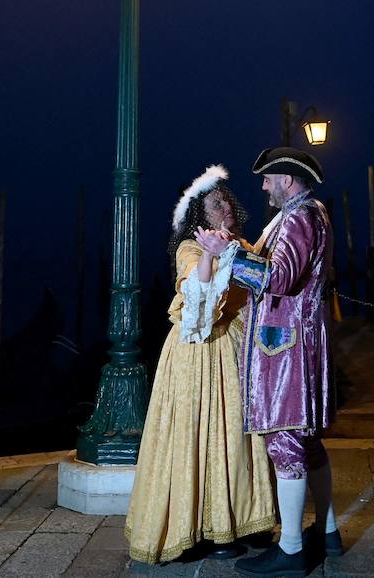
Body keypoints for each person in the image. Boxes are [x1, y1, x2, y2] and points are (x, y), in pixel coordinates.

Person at [196, 147, 342, 578]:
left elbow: (279, 278)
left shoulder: (299, 217)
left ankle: (293, 549)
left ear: (287, 180)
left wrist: (227, 255)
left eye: (268, 178)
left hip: (287, 346)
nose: (262, 186)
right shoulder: (309, 212)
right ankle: (327, 532)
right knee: (308, 442)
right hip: (297, 338)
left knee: (286, 442)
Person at [124, 165, 277, 563]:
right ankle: (208, 529)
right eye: (214, 203)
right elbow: (197, 299)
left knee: (239, 436)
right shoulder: (190, 250)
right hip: (200, 353)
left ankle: (248, 519)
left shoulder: (243, 242)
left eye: (225, 199)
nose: (224, 205)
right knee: (205, 432)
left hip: (237, 351)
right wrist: (211, 255)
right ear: (198, 214)